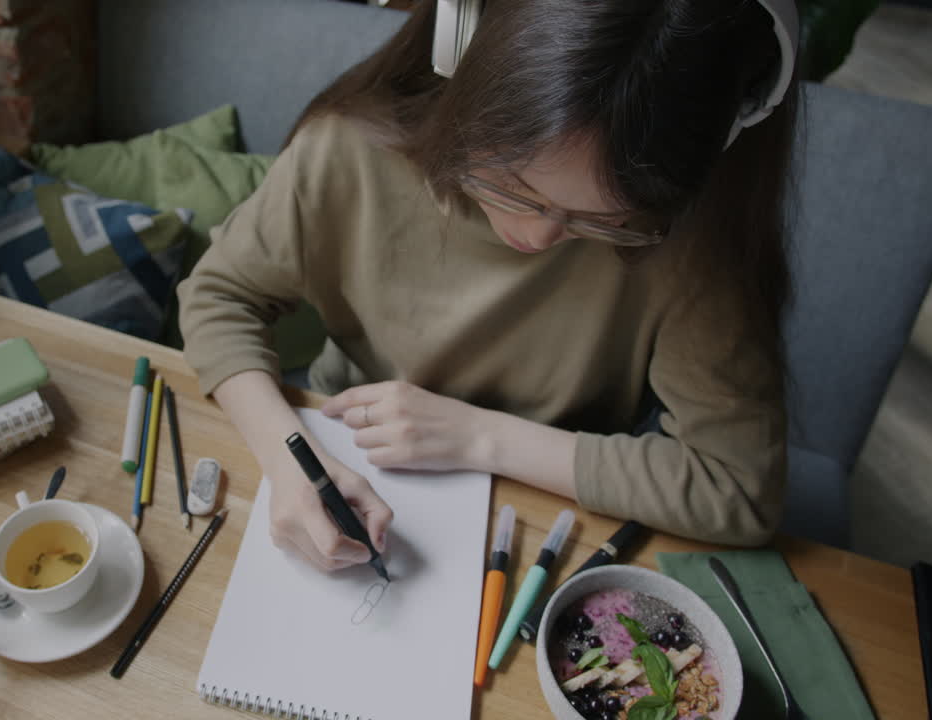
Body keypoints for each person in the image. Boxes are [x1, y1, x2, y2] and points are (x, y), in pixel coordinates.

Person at [178, 0, 798, 572]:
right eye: (511, 185)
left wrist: (479, 436)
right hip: (346, 454)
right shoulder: (349, 152)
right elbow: (220, 297)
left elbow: (736, 487)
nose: (539, 233)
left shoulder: (684, 242)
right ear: (462, 43)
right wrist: (288, 459)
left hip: (550, 510)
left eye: (600, 218)